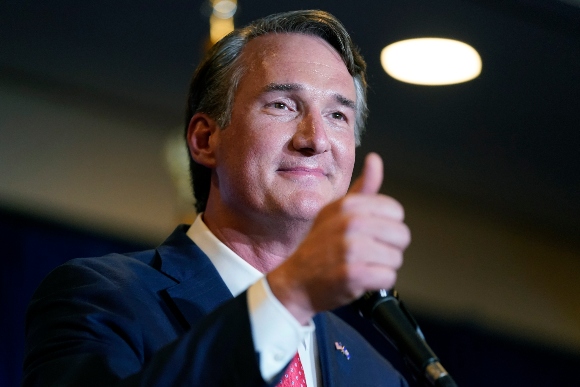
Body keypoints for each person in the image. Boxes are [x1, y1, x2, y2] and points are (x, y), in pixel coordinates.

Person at [23, 10, 411, 386]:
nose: (316, 139)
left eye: (338, 116)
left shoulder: (376, 374)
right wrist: (287, 296)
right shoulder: (101, 298)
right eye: (282, 105)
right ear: (205, 140)